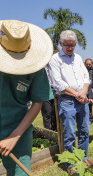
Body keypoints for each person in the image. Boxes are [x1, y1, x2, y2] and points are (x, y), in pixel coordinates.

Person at [0, 20, 54, 176]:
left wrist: (15, 136)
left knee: (19, 172)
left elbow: (37, 102)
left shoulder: (36, 68)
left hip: (18, 128)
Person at [48, 30, 93, 175]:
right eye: (67, 45)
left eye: (72, 45)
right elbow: (58, 83)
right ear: (61, 44)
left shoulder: (78, 58)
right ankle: (70, 163)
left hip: (82, 100)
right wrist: (77, 94)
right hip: (67, 101)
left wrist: (83, 91)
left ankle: (83, 157)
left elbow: (86, 77)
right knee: (69, 133)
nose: (70, 48)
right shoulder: (55, 59)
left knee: (84, 131)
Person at [41, 65, 57, 131]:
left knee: (55, 113)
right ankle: (47, 132)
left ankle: (55, 131)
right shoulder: (40, 68)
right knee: (47, 113)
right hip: (45, 92)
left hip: (55, 91)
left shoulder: (54, 67)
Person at [85, 58, 93, 124]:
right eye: (87, 64)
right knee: (88, 105)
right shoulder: (83, 71)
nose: (88, 65)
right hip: (86, 91)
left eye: (89, 64)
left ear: (92, 64)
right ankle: (89, 119)